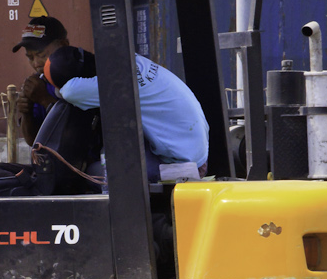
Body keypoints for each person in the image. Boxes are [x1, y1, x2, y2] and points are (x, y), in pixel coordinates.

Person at [45, 45, 209, 182]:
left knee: (95, 172)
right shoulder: (129, 62)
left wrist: (50, 91)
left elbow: (69, 92)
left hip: (184, 166)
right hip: (193, 150)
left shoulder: (116, 84)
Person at [13, 16, 74, 146]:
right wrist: (26, 113)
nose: (36, 64)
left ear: (64, 45)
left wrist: (44, 99)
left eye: (41, 55)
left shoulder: (81, 79)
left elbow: (76, 134)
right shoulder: (41, 83)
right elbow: (33, 142)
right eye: (30, 57)